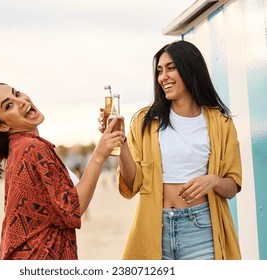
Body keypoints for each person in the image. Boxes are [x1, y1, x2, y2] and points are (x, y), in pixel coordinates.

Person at [99, 40, 242, 260]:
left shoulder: (220, 123)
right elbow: (132, 183)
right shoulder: (145, 121)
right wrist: (121, 142)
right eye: (159, 71)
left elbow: (232, 186)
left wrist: (213, 180)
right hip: (155, 229)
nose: (162, 77)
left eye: (171, 68)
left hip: (201, 230)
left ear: (190, 69)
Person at [0, 82, 125, 260]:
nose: (21, 101)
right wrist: (99, 155)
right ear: (1, 126)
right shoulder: (31, 147)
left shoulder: (19, 149)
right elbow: (73, 209)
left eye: (17, 93)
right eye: (9, 105)